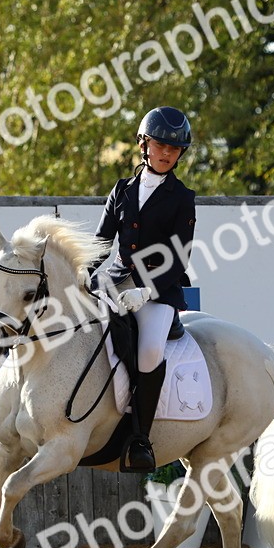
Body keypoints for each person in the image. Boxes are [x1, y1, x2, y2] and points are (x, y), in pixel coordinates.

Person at [90, 106, 197, 472]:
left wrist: (147, 291)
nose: (167, 153)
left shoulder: (182, 197)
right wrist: (83, 275)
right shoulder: (121, 190)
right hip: (116, 282)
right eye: (160, 144)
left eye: (174, 148)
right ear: (143, 144)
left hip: (159, 290)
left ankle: (140, 438)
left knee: (150, 352)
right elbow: (101, 244)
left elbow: (178, 255)